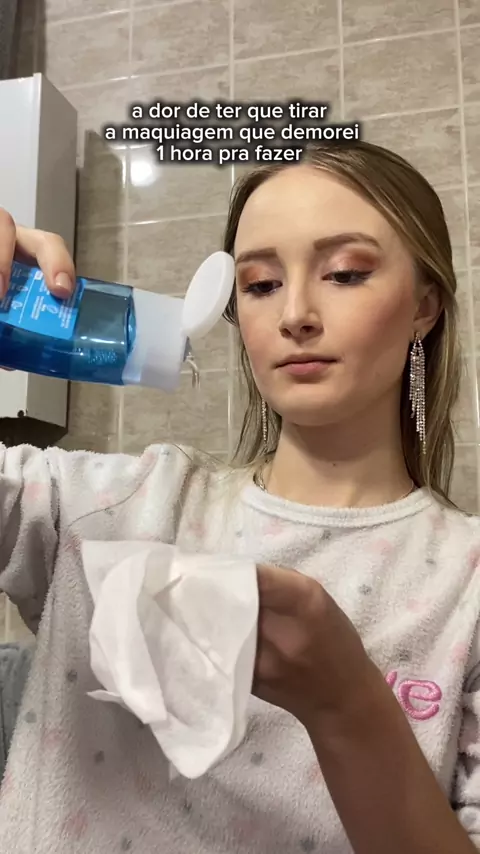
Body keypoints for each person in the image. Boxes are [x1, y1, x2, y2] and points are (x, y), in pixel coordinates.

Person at [0, 140, 479, 854]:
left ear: (425, 307)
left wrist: (348, 708)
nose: (296, 314)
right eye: (259, 285)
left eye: (345, 274)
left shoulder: (466, 584)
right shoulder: (101, 507)